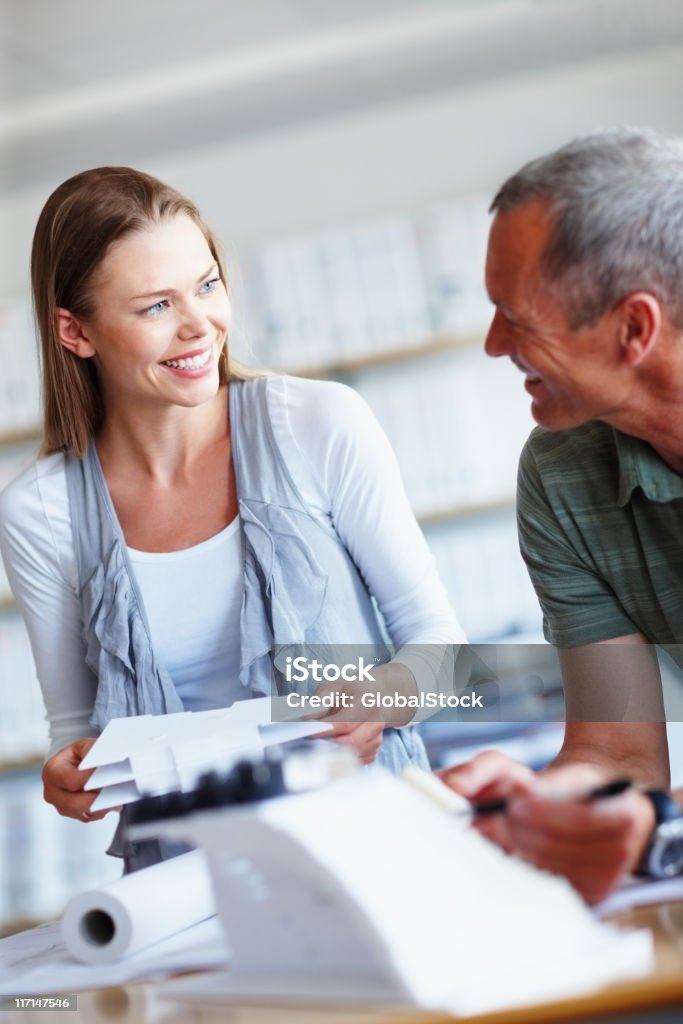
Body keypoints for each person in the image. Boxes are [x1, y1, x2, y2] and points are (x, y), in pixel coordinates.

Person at [0, 166, 464, 870]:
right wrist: (72, 774)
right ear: (76, 332)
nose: (199, 326)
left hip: (382, 852)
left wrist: (380, 699)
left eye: (207, 285)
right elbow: (75, 733)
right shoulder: (42, 510)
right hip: (189, 889)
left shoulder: (318, 424)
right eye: (155, 306)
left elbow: (446, 653)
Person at [443, 127, 683, 903]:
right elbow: (617, 749)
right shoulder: (562, 475)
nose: (491, 343)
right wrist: (548, 804)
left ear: (633, 329)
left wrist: (655, 826)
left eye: (515, 315)